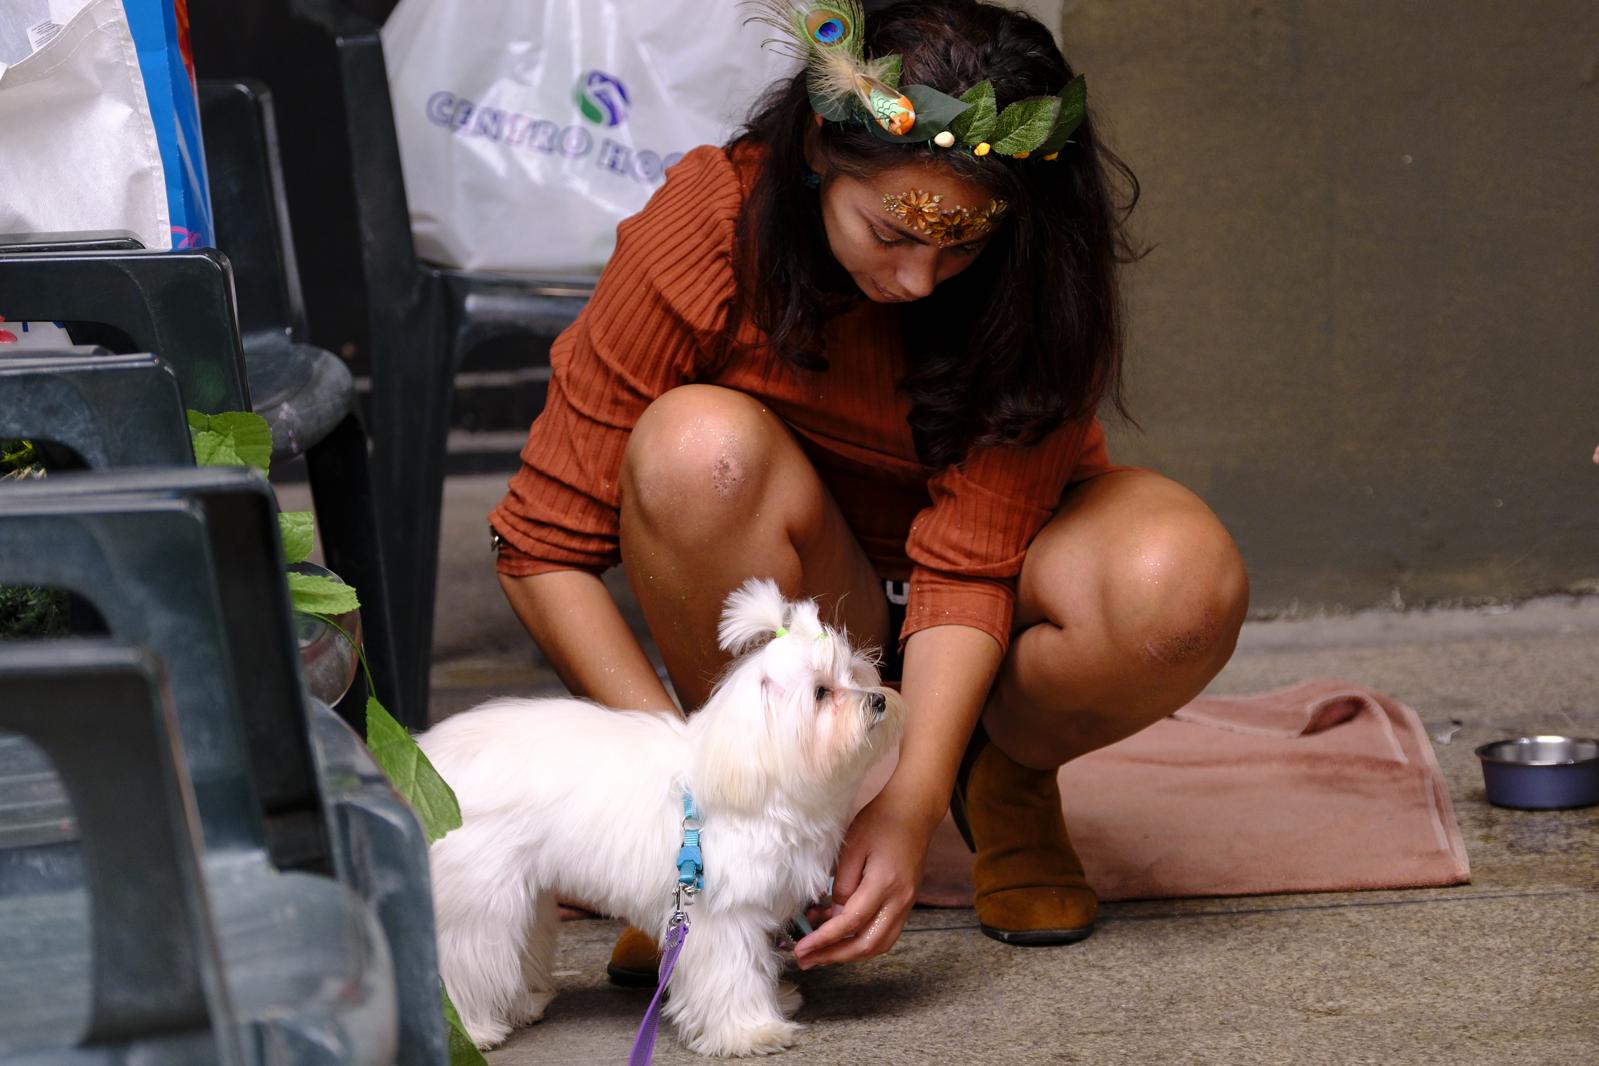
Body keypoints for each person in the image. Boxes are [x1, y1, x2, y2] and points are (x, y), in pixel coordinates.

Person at [488, 0, 1248, 978]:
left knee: (1177, 583)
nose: (924, 280)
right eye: (891, 232)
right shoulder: (709, 227)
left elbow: (973, 562)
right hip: (814, 604)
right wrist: (673, 789)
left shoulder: (1039, 276)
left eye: (961, 246)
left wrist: (911, 800)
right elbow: (540, 545)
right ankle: (755, 816)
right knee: (693, 452)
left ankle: (1001, 772)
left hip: (992, 601)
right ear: (818, 148)